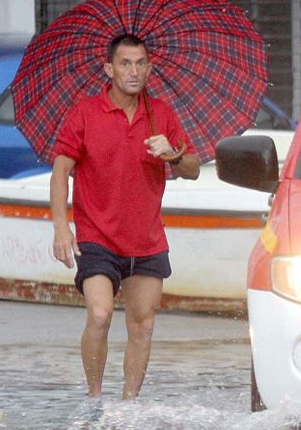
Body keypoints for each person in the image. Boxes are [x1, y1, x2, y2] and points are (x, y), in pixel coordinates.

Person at [50, 33, 200, 401]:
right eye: (124, 63)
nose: (133, 71)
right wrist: (60, 227)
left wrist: (172, 154)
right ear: (109, 68)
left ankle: (129, 405)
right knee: (100, 314)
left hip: (146, 241)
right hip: (97, 236)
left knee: (142, 325)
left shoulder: (161, 114)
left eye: (139, 64)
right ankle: (95, 399)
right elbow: (60, 170)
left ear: (149, 69)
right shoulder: (86, 112)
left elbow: (193, 168)